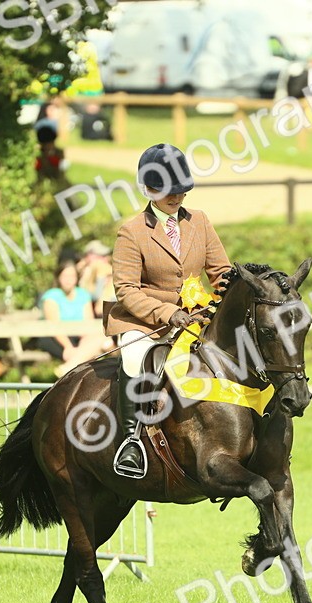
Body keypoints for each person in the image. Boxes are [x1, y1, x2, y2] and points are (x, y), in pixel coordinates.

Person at [107, 142, 231, 478]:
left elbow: (220, 272)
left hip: (196, 316)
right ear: (148, 189)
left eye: (181, 190)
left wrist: (226, 293)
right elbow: (126, 290)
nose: (176, 197)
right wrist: (166, 313)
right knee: (134, 357)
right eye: (167, 191)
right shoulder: (132, 232)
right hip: (146, 322)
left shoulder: (199, 222)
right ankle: (131, 441)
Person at [37, 260, 109, 378]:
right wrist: (68, 347)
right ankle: (73, 371)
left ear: (76, 278)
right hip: (56, 338)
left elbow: (88, 323)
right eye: (65, 276)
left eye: (71, 276)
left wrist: (84, 342)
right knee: (99, 347)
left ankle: (67, 369)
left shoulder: (83, 294)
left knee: (100, 339)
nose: (68, 280)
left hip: (79, 337)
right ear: (58, 277)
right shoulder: (51, 296)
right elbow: (54, 327)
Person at [77, 239, 115, 316]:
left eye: (104, 256)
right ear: (89, 256)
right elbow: (93, 295)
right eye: (100, 256)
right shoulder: (83, 271)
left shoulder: (107, 269)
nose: (105, 258)